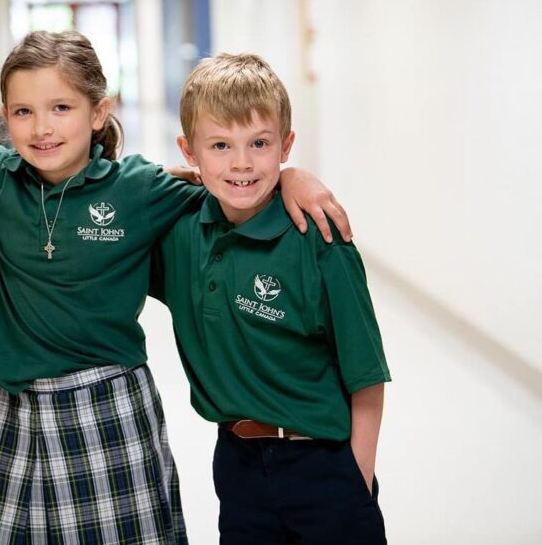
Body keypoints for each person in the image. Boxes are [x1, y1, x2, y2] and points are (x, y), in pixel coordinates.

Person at [0, 31, 350, 544]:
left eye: (61, 107)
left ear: (99, 112)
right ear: (4, 118)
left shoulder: (137, 188)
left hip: (112, 407)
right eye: (23, 112)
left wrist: (293, 176)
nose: (43, 128)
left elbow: (227, 177)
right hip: (20, 413)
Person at [150, 53, 390, 544]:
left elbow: (366, 375)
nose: (241, 163)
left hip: (324, 465)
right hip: (237, 465)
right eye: (220, 145)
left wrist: (357, 482)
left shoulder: (319, 239)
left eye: (259, 143)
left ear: (286, 145)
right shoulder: (179, 231)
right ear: (189, 151)